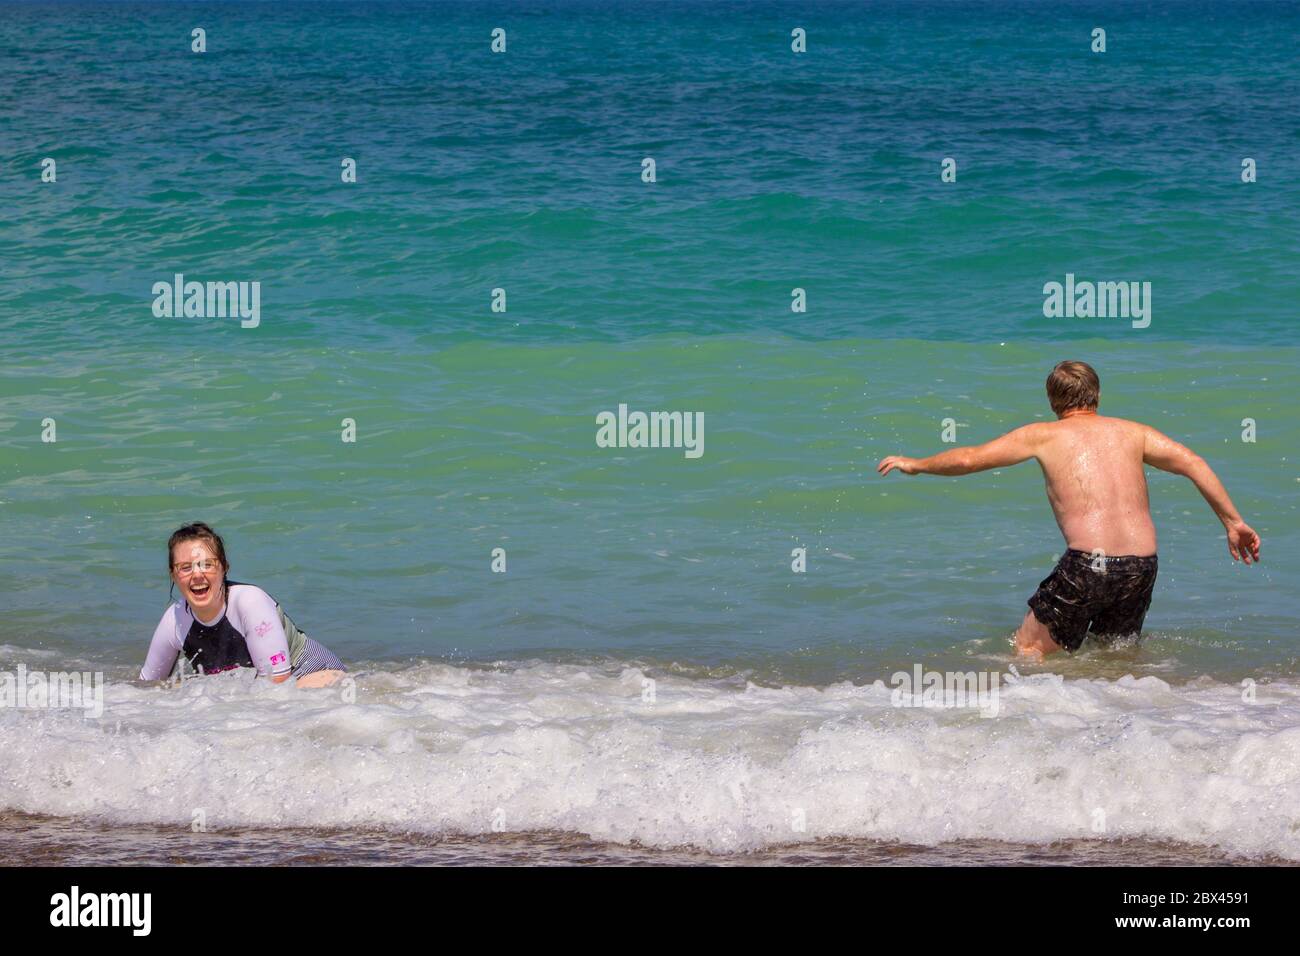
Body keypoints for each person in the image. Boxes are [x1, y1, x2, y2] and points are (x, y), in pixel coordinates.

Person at [877, 361, 1261, 658]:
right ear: (1096, 394)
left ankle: (1040, 736)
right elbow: (1193, 462)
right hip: (1141, 566)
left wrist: (917, 463)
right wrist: (1233, 522)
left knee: (1028, 649)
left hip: (1088, 565)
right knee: (1117, 659)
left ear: (1052, 400)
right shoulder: (1134, 432)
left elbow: (967, 460)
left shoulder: (1043, 435)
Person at [139, 522, 346, 687]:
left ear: (224, 568)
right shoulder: (174, 620)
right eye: (185, 567)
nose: (197, 575)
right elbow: (147, 686)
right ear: (173, 575)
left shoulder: (249, 602)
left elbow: (277, 685)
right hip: (262, 691)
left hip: (315, 677)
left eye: (207, 565)